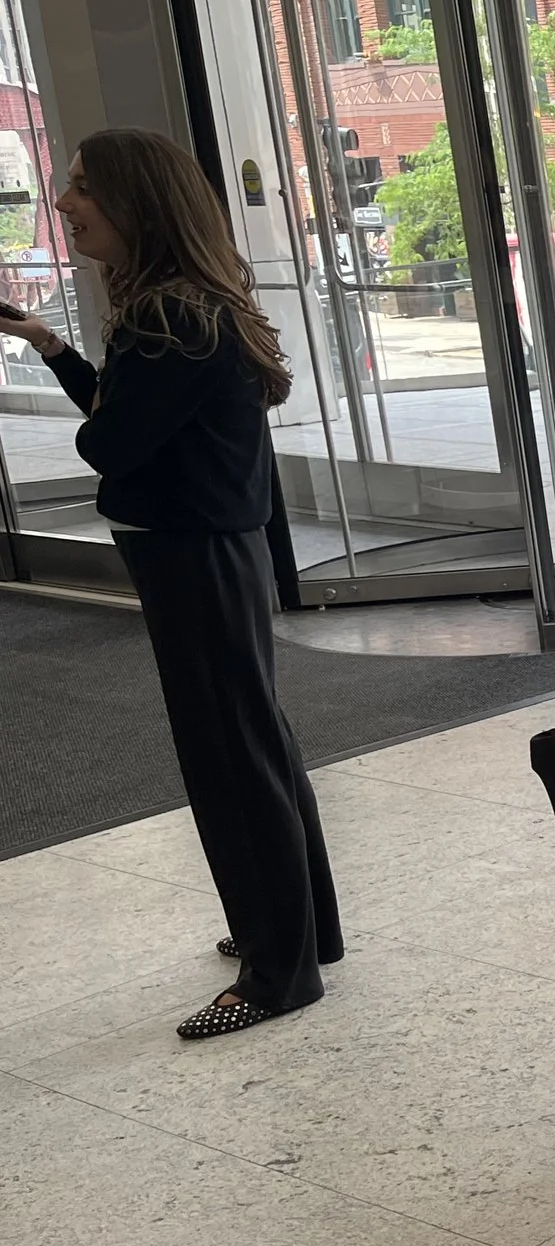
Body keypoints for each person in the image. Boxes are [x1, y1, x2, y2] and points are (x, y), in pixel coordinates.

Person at [0, 129, 341, 1039]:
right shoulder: (194, 302)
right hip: (214, 546)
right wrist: (47, 343)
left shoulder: (163, 318)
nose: (65, 205)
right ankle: (305, 934)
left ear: (134, 203)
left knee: (228, 752)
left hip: (189, 552)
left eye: (80, 189)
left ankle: (279, 972)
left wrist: (99, 410)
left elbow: (110, 441)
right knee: (254, 735)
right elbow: (132, 414)